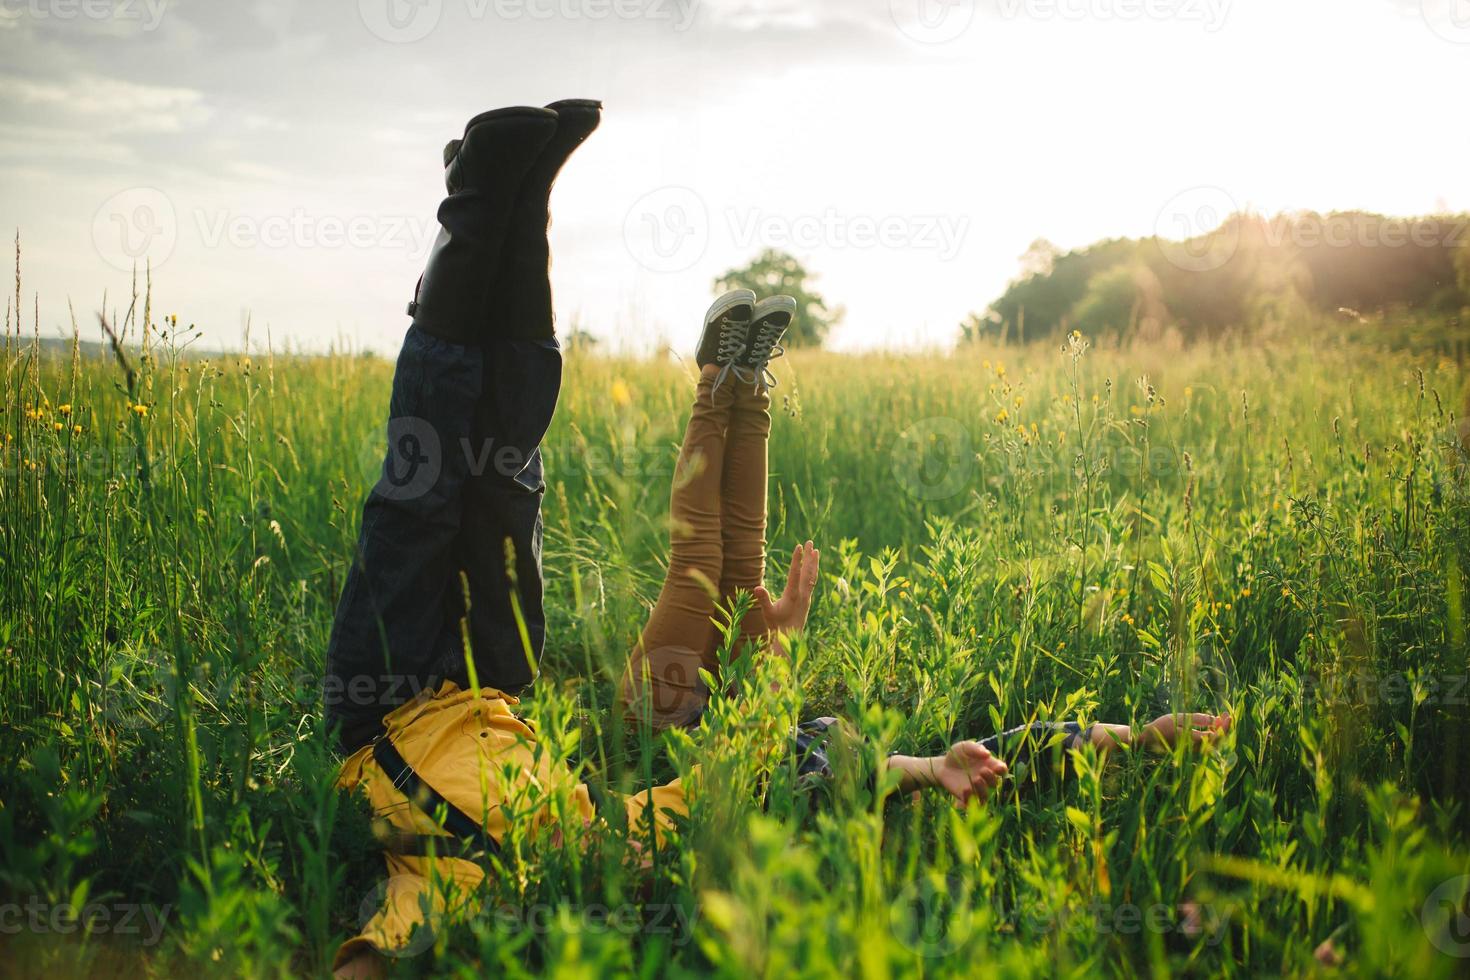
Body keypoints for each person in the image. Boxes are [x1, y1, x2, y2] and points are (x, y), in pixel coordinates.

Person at [330, 281, 1232, 977]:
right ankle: (746, 385)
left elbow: (382, 946)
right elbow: (959, 760)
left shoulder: (630, 845)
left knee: (702, 559)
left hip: (654, 730)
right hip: (727, 722)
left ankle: (716, 385)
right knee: (739, 555)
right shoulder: (747, 815)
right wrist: (1134, 740)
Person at [323, 100, 601, 754]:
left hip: (381, 724)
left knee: (421, 500)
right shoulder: (568, 827)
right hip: (497, 694)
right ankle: (526, 199)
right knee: (505, 477)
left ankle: (477, 193)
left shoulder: (451, 856)